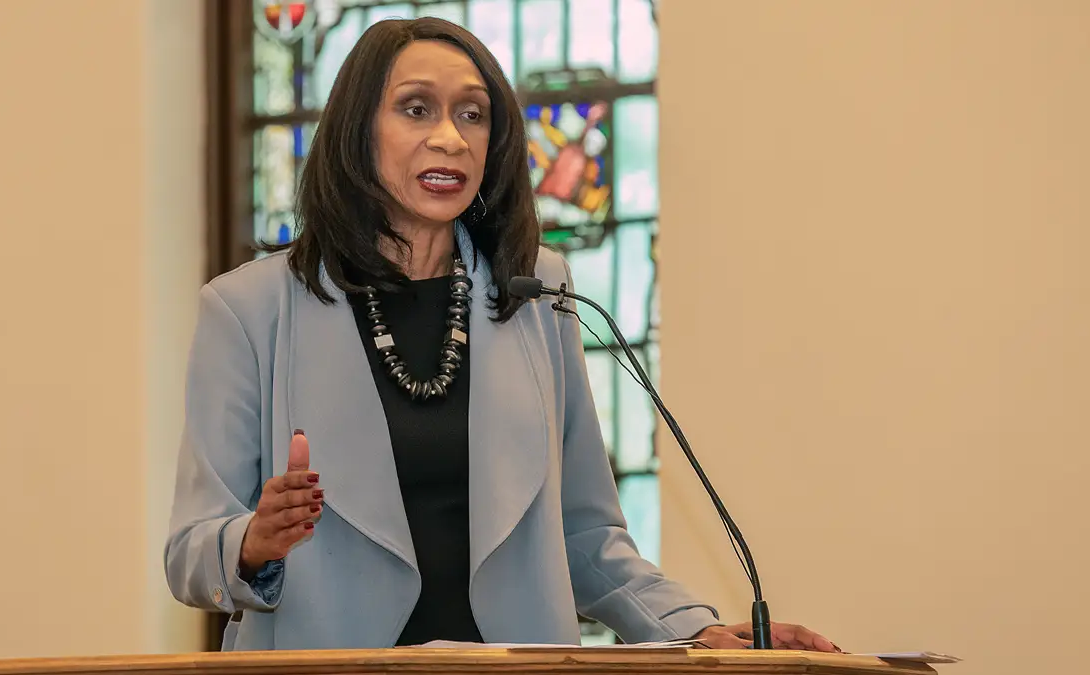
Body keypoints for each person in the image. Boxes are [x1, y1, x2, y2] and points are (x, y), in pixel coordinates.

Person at [165, 17, 838, 653]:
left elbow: (586, 535)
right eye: (417, 108)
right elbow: (192, 552)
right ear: (356, 130)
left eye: (473, 114)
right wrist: (253, 539)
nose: (451, 139)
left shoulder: (536, 292)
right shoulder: (250, 309)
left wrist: (697, 629)